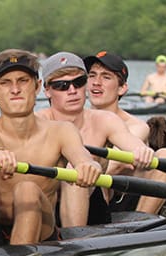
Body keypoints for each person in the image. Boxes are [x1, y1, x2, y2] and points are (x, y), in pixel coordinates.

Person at [0, 49, 102, 244]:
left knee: (27, 189)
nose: (15, 89)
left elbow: (82, 158)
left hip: (42, 230)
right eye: (5, 83)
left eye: (23, 81)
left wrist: (90, 167)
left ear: (37, 86)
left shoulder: (62, 131)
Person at [35, 52, 153, 227]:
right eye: (62, 85)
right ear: (47, 90)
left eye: (79, 82)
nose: (72, 91)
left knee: (76, 170)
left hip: (93, 211)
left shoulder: (105, 120)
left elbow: (131, 143)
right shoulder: (36, 122)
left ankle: (76, 245)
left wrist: (142, 151)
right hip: (47, 207)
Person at [84, 51, 166, 214]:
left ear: (122, 88)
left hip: (121, 200)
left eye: (106, 77)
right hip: (87, 193)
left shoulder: (137, 126)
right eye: (92, 75)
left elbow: (116, 164)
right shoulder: (73, 119)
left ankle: (142, 220)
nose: (96, 83)